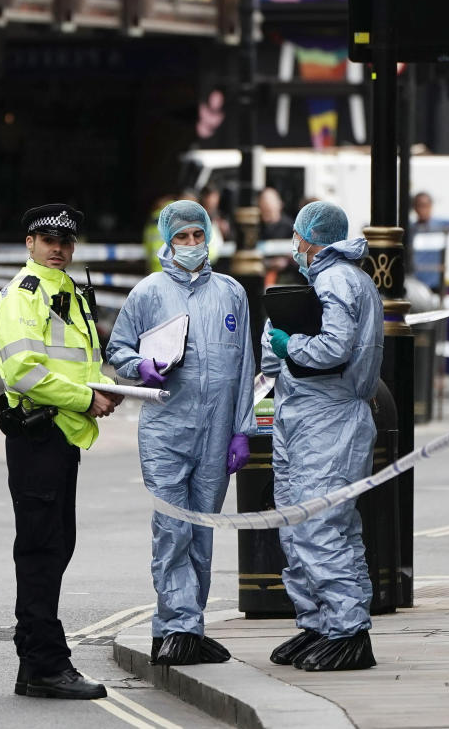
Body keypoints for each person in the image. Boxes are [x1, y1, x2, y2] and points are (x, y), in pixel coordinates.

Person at [107, 200, 256, 666]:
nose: (191, 245)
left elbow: (247, 363)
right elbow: (118, 348)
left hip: (217, 432)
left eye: (197, 236)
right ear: (167, 241)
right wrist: (141, 367)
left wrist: (242, 430)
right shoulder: (148, 292)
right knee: (173, 529)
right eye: (182, 237)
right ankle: (178, 626)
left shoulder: (232, 292)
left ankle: (185, 626)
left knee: (203, 530)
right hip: (167, 428)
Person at [0, 203, 123, 699]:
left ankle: (36, 659)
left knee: (55, 546)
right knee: (41, 550)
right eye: (48, 240)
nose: (58, 249)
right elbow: (22, 372)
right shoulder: (21, 296)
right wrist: (87, 398)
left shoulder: (69, 290)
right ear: (29, 242)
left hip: (62, 434)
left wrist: (107, 387)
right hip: (38, 434)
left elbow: (74, 362)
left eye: (66, 242)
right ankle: (45, 664)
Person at [261, 200, 383, 672]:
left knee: (318, 524)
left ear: (311, 238)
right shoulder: (323, 280)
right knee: (302, 523)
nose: (294, 244)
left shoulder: (336, 280)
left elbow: (333, 347)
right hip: (304, 414)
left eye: (297, 236)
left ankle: (348, 630)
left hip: (329, 418)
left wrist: (290, 344)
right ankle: (321, 623)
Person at [410, 191, 449, 292]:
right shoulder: (410, 229)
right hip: (416, 283)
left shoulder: (440, 225)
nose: (423, 210)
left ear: (431, 206)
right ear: (415, 208)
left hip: (436, 283)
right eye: (420, 206)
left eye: (425, 206)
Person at [258, 187, 297, 286]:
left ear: (280, 205)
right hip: (260, 279)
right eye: (264, 208)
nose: (267, 213)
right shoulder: (256, 228)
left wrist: (286, 262)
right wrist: (269, 263)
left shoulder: (291, 228)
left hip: (287, 279)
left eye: (269, 209)